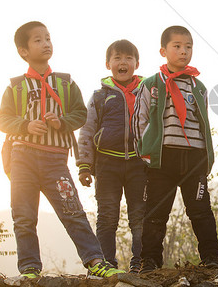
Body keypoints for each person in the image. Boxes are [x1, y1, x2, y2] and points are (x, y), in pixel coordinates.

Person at [0, 21, 124, 282]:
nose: (46, 43)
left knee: (73, 211)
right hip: (23, 159)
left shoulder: (65, 83)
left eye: (48, 38)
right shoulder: (16, 86)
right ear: (23, 51)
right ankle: (30, 268)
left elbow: (81, 114)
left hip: (56, 160)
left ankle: (96, 261)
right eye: (38, 40)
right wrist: (26, 125)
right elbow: (2, 120)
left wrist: (62, 121)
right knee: (23, 215)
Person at [132, 26, 218, 273]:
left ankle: (212, 257)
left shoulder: (198, 86)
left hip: (193, 158)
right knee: (156, 213)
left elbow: (204, 123)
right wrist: (145, 152)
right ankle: (149, 260)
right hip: (162, 158)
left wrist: (205, 156)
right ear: (163, 50)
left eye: (189, 47)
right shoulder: (151, 84)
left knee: (201, 210)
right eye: (177, 46)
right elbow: (139, 120)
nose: (184, 51)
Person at [77, 39, 146, 273]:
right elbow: (87, 129)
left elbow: (158, 127)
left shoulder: (148, 92)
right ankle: (106, 264)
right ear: (108, 64)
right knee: (107, 217)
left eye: (128, 58)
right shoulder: (99, 96)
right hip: (107, 163)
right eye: (117, 58)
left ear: (137, 63)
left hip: (140, 163)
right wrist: (84, 165)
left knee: (140, 216)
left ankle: (141, 264)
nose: (123, 62)